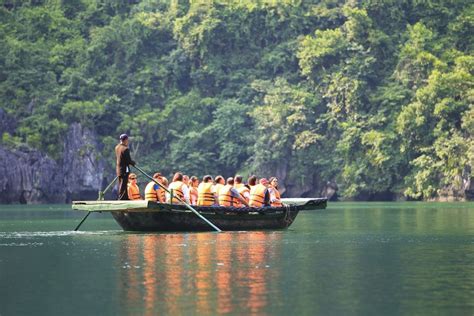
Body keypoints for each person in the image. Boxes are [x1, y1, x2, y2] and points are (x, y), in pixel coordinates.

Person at [115, 134, 136, 200]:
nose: (128, 141)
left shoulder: (117, 147)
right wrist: (133, 163)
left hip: (118, 168)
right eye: (127, 140)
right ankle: (121, 198)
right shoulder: (125, 149)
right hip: (124, 169)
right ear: (125, 140)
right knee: (123, 184)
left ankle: (125, 197)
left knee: (121, 183)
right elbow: (128, 160)